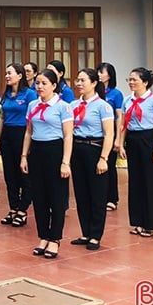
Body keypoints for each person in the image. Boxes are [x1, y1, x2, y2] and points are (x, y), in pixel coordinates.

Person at [21, 68, 73, 259]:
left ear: (54, 85)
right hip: (37, 151)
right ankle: (43, 235)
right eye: (38, 83)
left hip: (55, 151)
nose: (40, 86)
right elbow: (28, 132)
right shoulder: (33, 104)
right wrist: (24, 156)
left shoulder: (63, 106)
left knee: (56, 197)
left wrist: (65, 162)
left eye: (44, 83)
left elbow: (68, 136)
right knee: (39, 196)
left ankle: (55, 238)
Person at [69, 68, 114, 251]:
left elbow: (109, 133)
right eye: (77, 80)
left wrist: (104, 158)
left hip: (95, 149)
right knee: (81, 193)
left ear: (94, 83)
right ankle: (85, 231)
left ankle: (96, 234)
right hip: (77, 149)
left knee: (97, 194)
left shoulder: (103, 106)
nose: (79, 84)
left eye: (83, 80)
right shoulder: (72, 105)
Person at [119, 67, 153, 238]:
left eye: (134, 80)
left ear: (145, 82)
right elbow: (123, 124)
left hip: (148, 139)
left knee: (150, 183)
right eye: (129, 80)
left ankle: (150, 224)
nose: (131, 83)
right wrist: (121, 144)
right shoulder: (127, 100)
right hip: (133, 139)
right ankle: (137, 221)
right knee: (135, 181)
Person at [0, 63, 36, 228]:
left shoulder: (29, 94)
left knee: (24, 174)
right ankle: (13, 208)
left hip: (23, 134)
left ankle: (23, 209)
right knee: (9, 174)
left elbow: (32, 119)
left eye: (10, 73)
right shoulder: (6, 95)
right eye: (6, 73)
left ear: (20, 76)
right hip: (7, 135)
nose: (7, 76)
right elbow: (2, 117)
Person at [97, 62, 124, 212]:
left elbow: (119, 117)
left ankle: (112, 198)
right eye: (98, 72)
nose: (99, 74)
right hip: (96, 131)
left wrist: (118, 138)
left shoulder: (115, 93)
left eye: (102, 72)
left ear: (110, 75)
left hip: (110, 129)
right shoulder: (94, 91)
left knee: (110, 166)